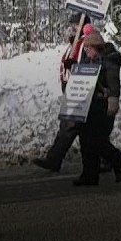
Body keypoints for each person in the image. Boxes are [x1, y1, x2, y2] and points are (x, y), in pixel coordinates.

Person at [71, 31, 121, 186]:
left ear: (96, 47)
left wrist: (113, 101)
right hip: (86, 106)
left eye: (88, 48)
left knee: (98, 141)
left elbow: (113, 84)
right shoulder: (86, 62)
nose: (86, 51)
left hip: (101, 107)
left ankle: (120, 162)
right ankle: (90, 174)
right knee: (85, 141)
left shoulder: (108, 63)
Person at [33, 17, 90, 172]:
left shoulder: (85, 44)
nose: (69, 29)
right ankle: (107, 162)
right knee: (83, 132)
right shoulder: (72, 45)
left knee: (69, 129)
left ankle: (54, 160)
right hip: (71, 92)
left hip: (80, 94)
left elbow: (88, 67)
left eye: (73, 25)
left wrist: (75, 67)